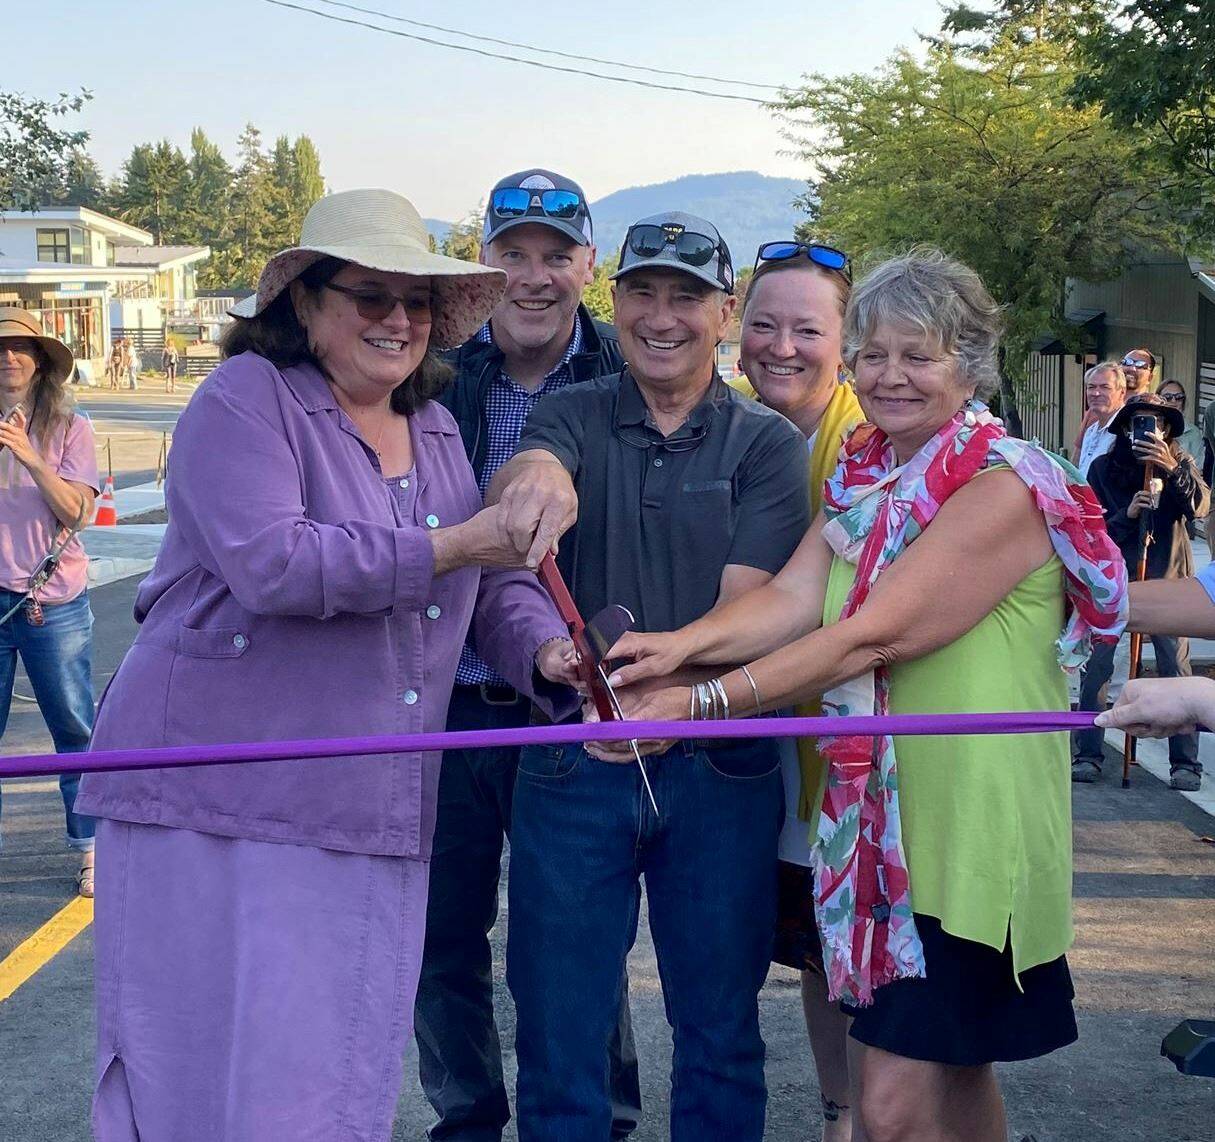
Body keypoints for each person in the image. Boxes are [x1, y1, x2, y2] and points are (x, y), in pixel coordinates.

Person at [73, 189, 580, 1141]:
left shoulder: (430, 426)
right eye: (369, 296)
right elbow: (275, 563)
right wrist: (455, 547)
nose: (397, 320)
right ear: (303, 303)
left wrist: (549, 651)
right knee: (196, 1072)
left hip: (361, 797)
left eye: (416, 303)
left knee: (330, 1078)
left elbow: (483, 574)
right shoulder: (244, 399)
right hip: (211, 792)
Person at [602, 250, 1126, 1142]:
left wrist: (695, 706)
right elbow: (794, 598)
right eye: (873, 354)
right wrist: (669, 651)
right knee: (956, 1080)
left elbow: (869, 634)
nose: (888, 377)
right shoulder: (864, 469)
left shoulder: (1004, 483)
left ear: (968, 364)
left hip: (965, 830)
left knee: (887, 1107)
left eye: (917, 356)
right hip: (882, 826)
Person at [492, 211, 811, 1140]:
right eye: (641, 292)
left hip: (718, 761)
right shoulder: (569, 411)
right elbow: (537, 466)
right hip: (572, 757)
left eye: (687, 296)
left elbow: (751, 606)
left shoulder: (764, 444)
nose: (660, 315)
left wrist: (671, 678)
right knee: (558, 1028)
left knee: (717, 1027)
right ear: (615, 301)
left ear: (724, 313)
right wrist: (536, 482)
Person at [417, 169, 641, 1142]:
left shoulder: (632, 368)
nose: (536, 276)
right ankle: (468, 1117)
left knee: (575, 937)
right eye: (515, 253)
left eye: (558, 255)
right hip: (448, 694)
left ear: (589, 264)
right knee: (442, 935)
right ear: (484, 259)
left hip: (571, 694)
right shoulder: (431, 367)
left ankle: (603, 1114)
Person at [733, 239, 863, 1141]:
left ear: (844, 343)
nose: (781, 346)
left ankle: (864, 1119)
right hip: (775, 740)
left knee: (859, 948)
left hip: (852, 738)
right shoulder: (743, 430)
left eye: (806, 330)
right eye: (762, 325)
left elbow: (812, 607)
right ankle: (836, 1114)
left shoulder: (867, 444)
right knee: (819, 955)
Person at [0, 308, 99, 895]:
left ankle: (90, 847)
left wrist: (29, 455)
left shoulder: (70, 428)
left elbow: (79, 512)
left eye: (20, 347)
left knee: (72, 726)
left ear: (40, 362)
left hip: (50, 598)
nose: (8, 356)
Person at [1074, 393, 1209, 791]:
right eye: (1139, 423)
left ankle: (1185, 764)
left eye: (1157, 424)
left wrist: (1172, 470)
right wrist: (1127, 514)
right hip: (1116, 582)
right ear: (1125, 428)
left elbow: (1200, 508)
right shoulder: (1103, 468)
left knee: (1175, 667)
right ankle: (1088, 753)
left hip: (1168, 580)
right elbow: (1091, 531)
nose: (1148, 432)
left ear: (1168, 432)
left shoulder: (1180, 464)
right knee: (1096, 668)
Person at [1073, 361, 1126, 477]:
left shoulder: (1126, 431)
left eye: (1105, 387)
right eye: (1091, 387)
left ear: (1122, 392)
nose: (1096, 393)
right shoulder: (1090, 431)